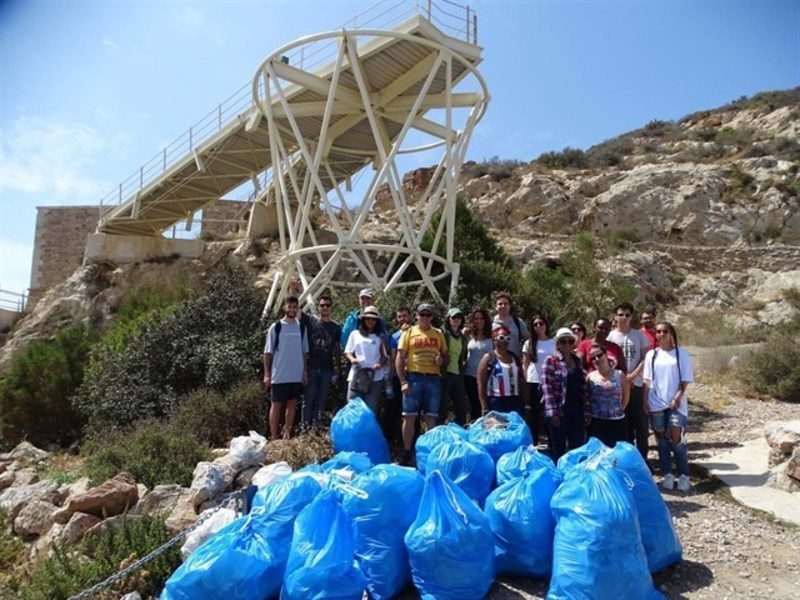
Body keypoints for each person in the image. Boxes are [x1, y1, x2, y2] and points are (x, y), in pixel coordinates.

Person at [643, 322, 694, 492]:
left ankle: (684, 475)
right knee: (661, 439)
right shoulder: (652, 354)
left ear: (671, 333)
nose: (661, 334)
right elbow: (647, 380)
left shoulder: (681, 354)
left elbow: (685, 379)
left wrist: (678, 397)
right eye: (658, 331)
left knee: (676, 438)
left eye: (665, 331)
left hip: (675, 403)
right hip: (656, 402)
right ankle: (667, 474)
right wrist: (645, 401)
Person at [395, 303, 448, 466]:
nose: (425, 317)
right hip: (413, 378)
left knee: (431, 418)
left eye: (428, 315)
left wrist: (442, 360)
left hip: (433, 378)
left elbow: (446, 357)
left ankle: (428, 455)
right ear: (416, 316)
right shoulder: (409, 332)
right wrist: (403, 381)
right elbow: (399, 358)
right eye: (422, 314)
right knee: (409, 417)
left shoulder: (438, 333)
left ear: (432, 317)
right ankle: (406, 452)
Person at [607, 301, 650, 460]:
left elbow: (646, 358)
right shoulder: (611, 336)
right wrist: (623, 378)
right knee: (623, 425)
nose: (623, 318)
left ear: (632, 316)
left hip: (636, 384)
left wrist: (633, 376)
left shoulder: (639, 336)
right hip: (617, 387)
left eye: (627, 315)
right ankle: (626, 459)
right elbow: (608, 360)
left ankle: (644, 459)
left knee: (640, 425)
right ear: (615, 316)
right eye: (620, 315)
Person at [263, 296, 309, 440]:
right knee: (276, 405)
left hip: (296, 374)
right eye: (289, 307)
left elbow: (304, 352)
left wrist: (304, 372)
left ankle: (286, 437)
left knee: (292, 405)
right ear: (285, 307)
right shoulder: (276, 327)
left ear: (298, 309)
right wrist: (266, 374)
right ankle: (274, 437)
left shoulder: (301, 327)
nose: (292, 310)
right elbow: (267, 352)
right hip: (279, 374)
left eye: (295, 307)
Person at [541, 327, 588, 462]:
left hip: (577, 410)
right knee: (559, 448)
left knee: (577, 447)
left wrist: (586, 410)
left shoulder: (577, 361)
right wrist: (553, 413)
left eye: (569, 341)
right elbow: (546, 387)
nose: (567, 344)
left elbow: (582, 387)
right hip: (559, 412)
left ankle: (574, 477)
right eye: (563, 341)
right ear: (557, 344)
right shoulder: (550, 360)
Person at [301, 294, 342, 428]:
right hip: (311, 367)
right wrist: (292, 291)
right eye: (322, 305)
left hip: (327, 369)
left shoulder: (336, 328)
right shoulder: (311, 321)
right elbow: (295, 311)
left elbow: (336, 349)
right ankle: (305, 428)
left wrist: (337, 367)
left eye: (327, 305)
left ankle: (316, 427)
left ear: (331, 308)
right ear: (318, 307)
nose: (325, 308)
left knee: (321, 401)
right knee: (308, 399)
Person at [344, 306, 389, 412]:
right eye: (368, 318)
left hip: (375, 376)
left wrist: (379, 364)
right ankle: (353, 429)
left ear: (377, 321)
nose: (370, 321)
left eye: (373, 319)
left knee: (370, 407)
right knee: (352, 405)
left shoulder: (380, 336)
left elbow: (384, 356)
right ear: (363, 320)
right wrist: (352, 360)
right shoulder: (354, 334)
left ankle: (368, 428)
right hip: (357, 374)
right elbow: (348, 352)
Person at [477, 325, 528, 417]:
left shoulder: (514, 357)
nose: (505, 341)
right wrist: (484, 407)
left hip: (515, 401)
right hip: (496, 401)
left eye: (508, 338)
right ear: (494, 339)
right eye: (501, 337)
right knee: (499, 429)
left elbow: (521, 381)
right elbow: (481, 384)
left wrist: (527, 404)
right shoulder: (488, 358)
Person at [586, 343, 630, 447]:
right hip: (597, 422)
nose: (597, 359)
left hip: (617, 421)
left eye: (599, 355)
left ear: (606, 355)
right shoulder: (590, 377)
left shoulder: (619, 375)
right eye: (593, 358)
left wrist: (621, 408)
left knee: (617, 453)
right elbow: (588, 397)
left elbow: (626, 394)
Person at [522, 313, 555, 445]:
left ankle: (552, 445)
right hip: (533, 381)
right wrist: (525, 383)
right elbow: (525, 364)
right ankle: (533, 444)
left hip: (549, 382)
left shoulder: (553, 342)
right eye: (535, 324)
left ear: (546, 325)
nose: (538, 326)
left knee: (549, 415)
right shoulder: (529, 343)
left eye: (541, 323)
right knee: (533, 416)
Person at [384, 306, 412, 443]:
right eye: (400, 316)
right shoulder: (394, 336)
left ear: (410, 316)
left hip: (413, 376)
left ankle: (410, 441)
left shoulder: (416, 332)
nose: (402, 319)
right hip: (397, 377)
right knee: (394, 409)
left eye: (404, 316)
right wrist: (389, 378)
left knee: (411, 411)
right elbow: (393, 358)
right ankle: (392, 439)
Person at [463, 307, 493, 422]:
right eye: (476, 318)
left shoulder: (491, 337)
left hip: (486, 377)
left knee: (485, 406)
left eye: (481, 318)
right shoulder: (469, 335)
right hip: (469, 375)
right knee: (473, 406)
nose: (479, 321)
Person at [441, 308, 468, 425]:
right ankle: (439, 431)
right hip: (445, 374)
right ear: (448, 319)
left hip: (458, 375)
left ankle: (460, 430)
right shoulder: (443, 334)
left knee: (461, 406)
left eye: (459, 317)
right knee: (441, 406)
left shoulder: (462, 337)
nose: (456, 320)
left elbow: (463, 356)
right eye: (453, 317)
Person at [491, 291, 529, 357]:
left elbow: (529, 341)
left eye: (505, 304)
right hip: (496, 362)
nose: (503, 306)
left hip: (514, 361)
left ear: (509, 306)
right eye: (500, 304)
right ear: (495, 306)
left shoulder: (518, 322)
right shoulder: (490, 323)